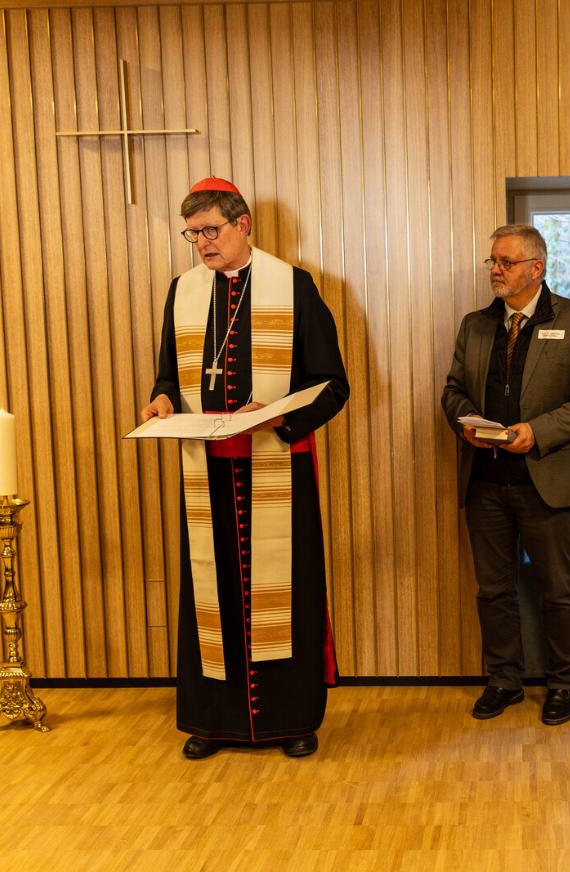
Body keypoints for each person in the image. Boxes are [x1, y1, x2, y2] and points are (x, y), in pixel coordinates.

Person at [141, 177, 349, 760]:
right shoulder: (182, 291)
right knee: (213, 594)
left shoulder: (293, 286)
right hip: (206, 472)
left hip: (275, 470)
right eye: (193, 233)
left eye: (211, 230)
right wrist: (160, 400)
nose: (202, 243)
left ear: (243, 225)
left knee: (285, 596)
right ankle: (214, 721)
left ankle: (293, 719)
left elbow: (333, 385)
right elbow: (167, 375)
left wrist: (277, 417)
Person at [441, 224, 570, 725]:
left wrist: (537, 430)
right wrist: (465, 422)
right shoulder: (475, 324)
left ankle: (563, 685)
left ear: (536, 268)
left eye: (506, 262)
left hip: (547, 480)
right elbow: (452, 390)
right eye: (492, 261)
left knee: (558, 589)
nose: (495, 269)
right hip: (486, 481)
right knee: (493, 590)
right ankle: (504, 680)